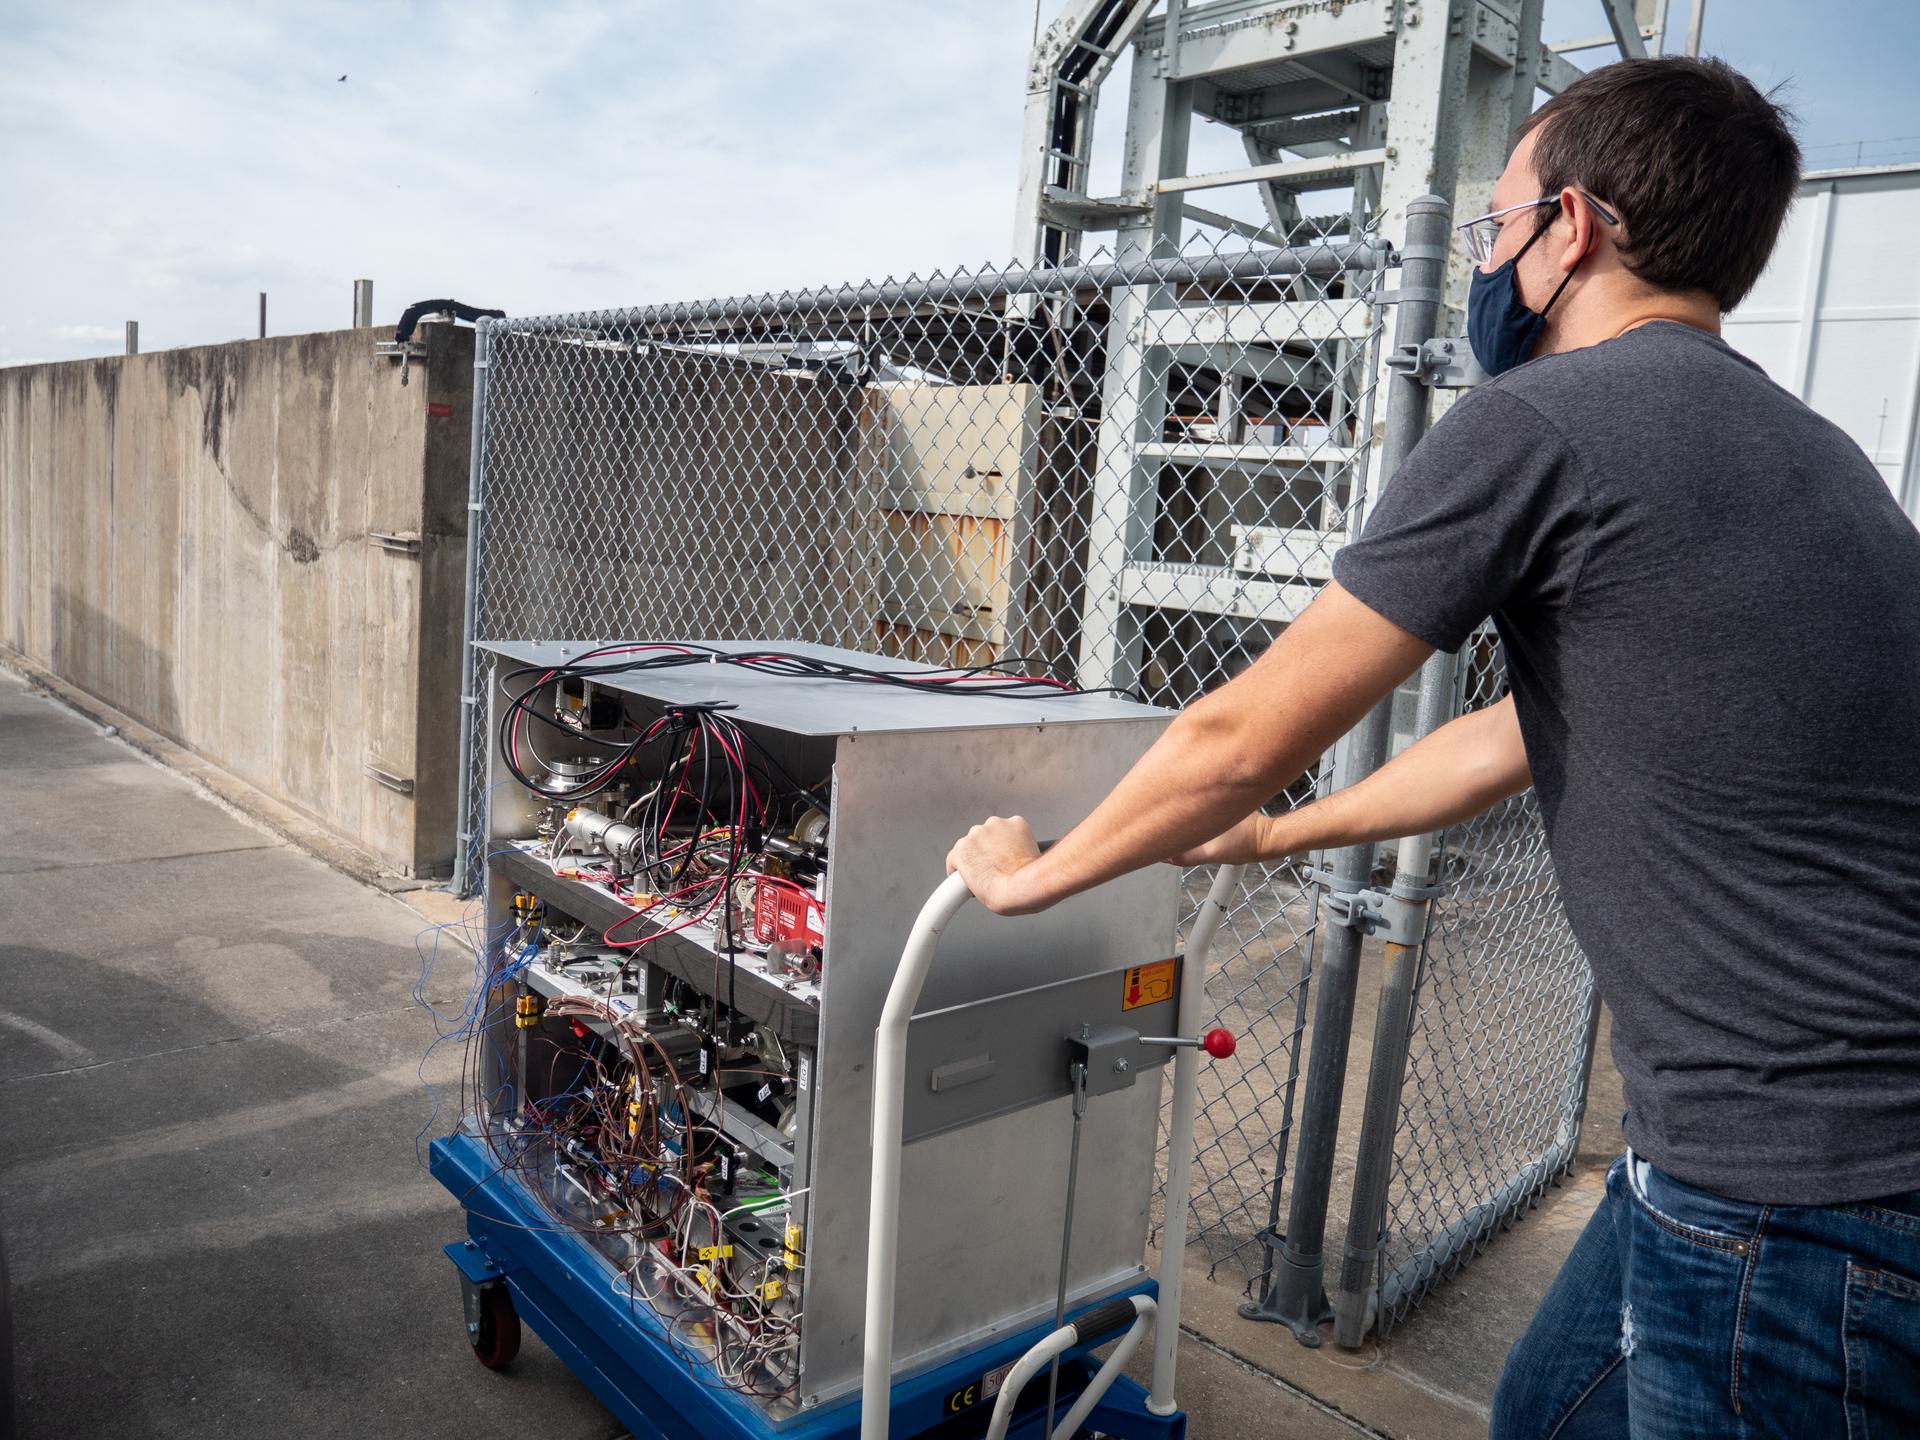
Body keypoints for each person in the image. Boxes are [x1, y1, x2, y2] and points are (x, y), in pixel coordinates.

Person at [946, 56, 1920, 1438]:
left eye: (1495, 222)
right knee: (1547, 1410)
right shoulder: (1813, 453)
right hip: (1780, 1150)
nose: (1483, 260)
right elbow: (1513, 735)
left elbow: (1238, 730)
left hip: (1788, 1193)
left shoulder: (1547, 420)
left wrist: (1034, 878)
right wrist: (1280, 836)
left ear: (1569, 228)